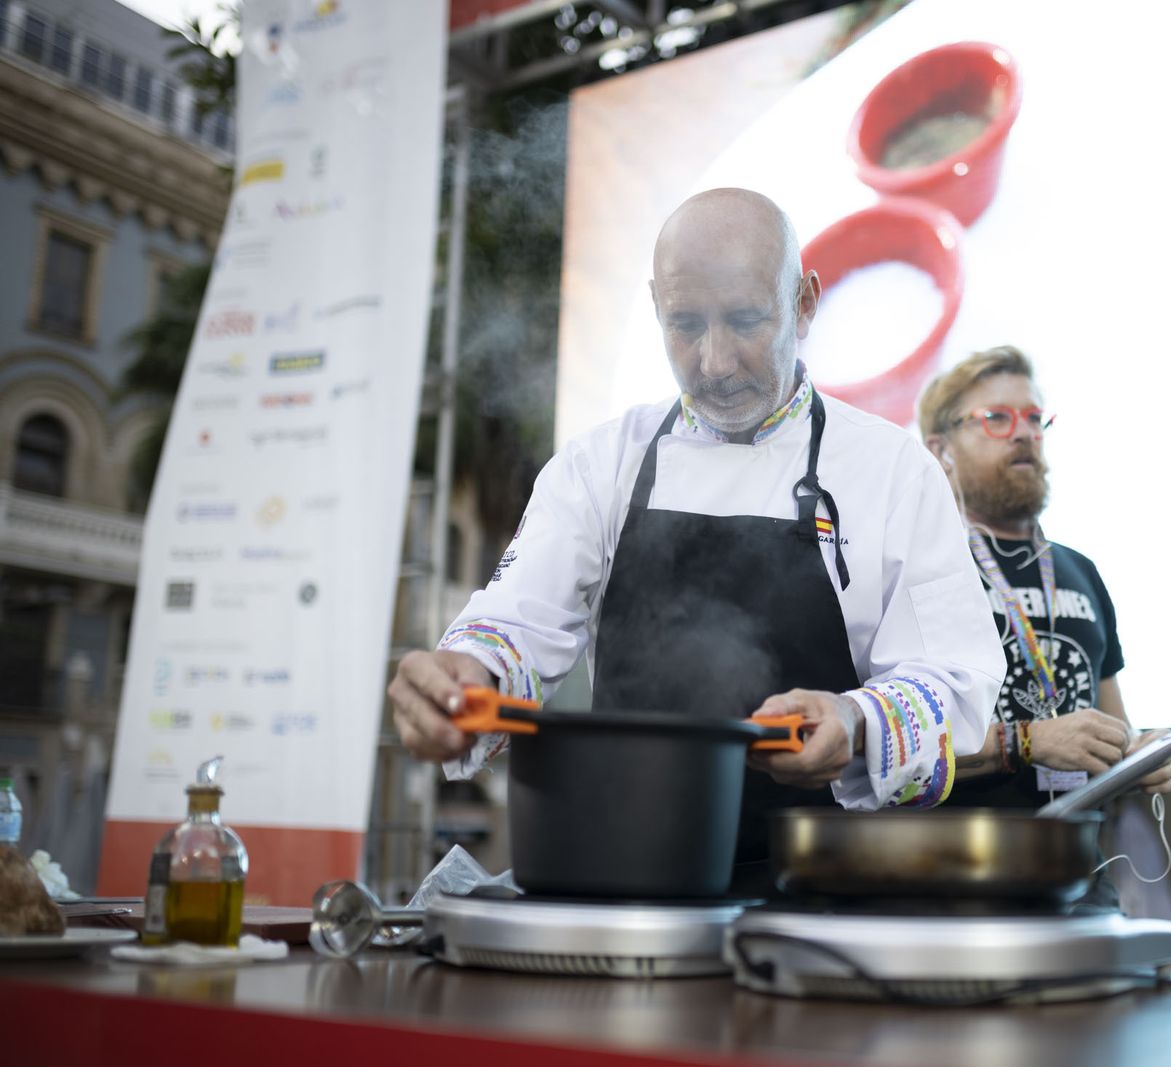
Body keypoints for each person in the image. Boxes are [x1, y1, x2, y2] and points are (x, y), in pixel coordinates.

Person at [389, 189, 1004, 887]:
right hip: (627, 881)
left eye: (744, 320)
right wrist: (466, 678)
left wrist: (856, 718)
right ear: (655, 307)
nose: (713, 360)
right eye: (685, 324)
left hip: (822, 891)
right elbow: (514, 627)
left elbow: (958, 682)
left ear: (804, 303)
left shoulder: (893, 472)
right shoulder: (603, 465)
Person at [917, 346, 1171, 907]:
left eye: (1035, 418)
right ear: (939, 450)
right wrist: (1029, 742)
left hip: (1080, 877)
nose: (1024, 434)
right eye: (997, 418)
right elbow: (892, 751)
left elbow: (1116, 727)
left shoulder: (1081, 570)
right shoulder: (920, 568)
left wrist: (1143, 758)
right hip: (956, 877)